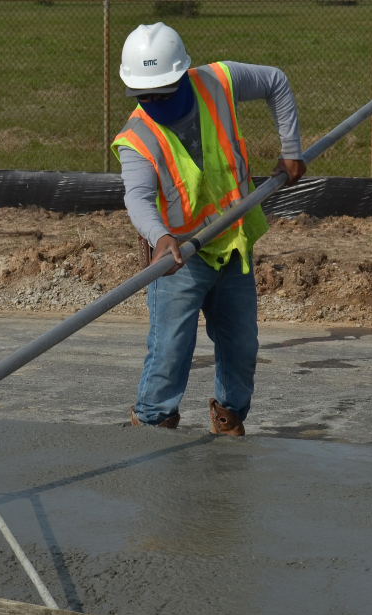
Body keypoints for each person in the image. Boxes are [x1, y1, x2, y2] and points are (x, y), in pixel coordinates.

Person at [112, 22, 306, 435]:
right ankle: (151, 426)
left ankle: (229, 418)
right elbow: (139, 199)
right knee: (170, 352)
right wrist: (161, 238)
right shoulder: (136, 138)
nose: (153, 101)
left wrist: (291, 149)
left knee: (241, 349)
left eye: (162, 92)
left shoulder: (217, 81)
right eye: (143, 95)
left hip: (232, 242)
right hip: (180, 257)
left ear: (183, 74)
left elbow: (276, 81)